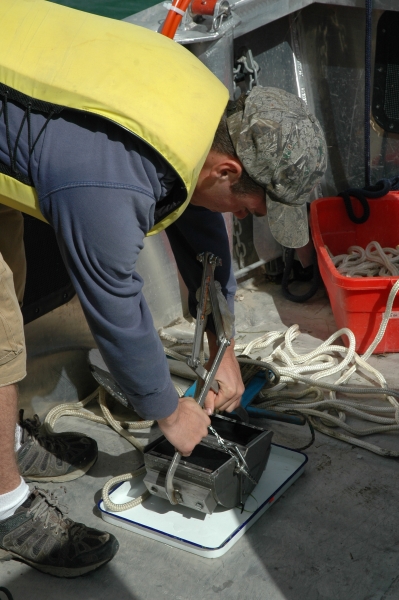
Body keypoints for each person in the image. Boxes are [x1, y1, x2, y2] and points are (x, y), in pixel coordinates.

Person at [0, 0, 327, 578]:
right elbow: (115, 306)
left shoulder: (204, 115)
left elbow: (202, 230)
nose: (251, 218)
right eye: (254, 207)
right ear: (229, 171)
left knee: (12, 278)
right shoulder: (108, 178)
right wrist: (168, 412)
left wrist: (223, 345)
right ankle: (5, 505)